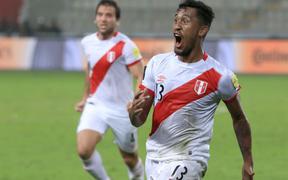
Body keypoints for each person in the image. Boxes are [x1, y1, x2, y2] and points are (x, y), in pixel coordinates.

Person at [128, 0, 254, 179]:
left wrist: (248, 161)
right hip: (154, 156)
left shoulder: (220, 76)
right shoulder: (157, 64)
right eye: (176, 20)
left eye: (185, 21)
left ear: (202, 30)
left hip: (189, 159)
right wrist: (133, 114)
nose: (177, 26)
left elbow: (239, 119)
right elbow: (139, 119)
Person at [75, 0, 144, 179]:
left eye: (109, 15)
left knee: (129, 158)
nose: (103, 19)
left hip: (122, 109)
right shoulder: (87, 42)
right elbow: (90, 70)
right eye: (100, 14)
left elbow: (140, 76)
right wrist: (84, 97)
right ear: (95, 18)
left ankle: (136, 175)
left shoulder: (126, 45)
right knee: (84, 150)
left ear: (117, 20)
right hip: (96, 105)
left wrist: (136, 104)